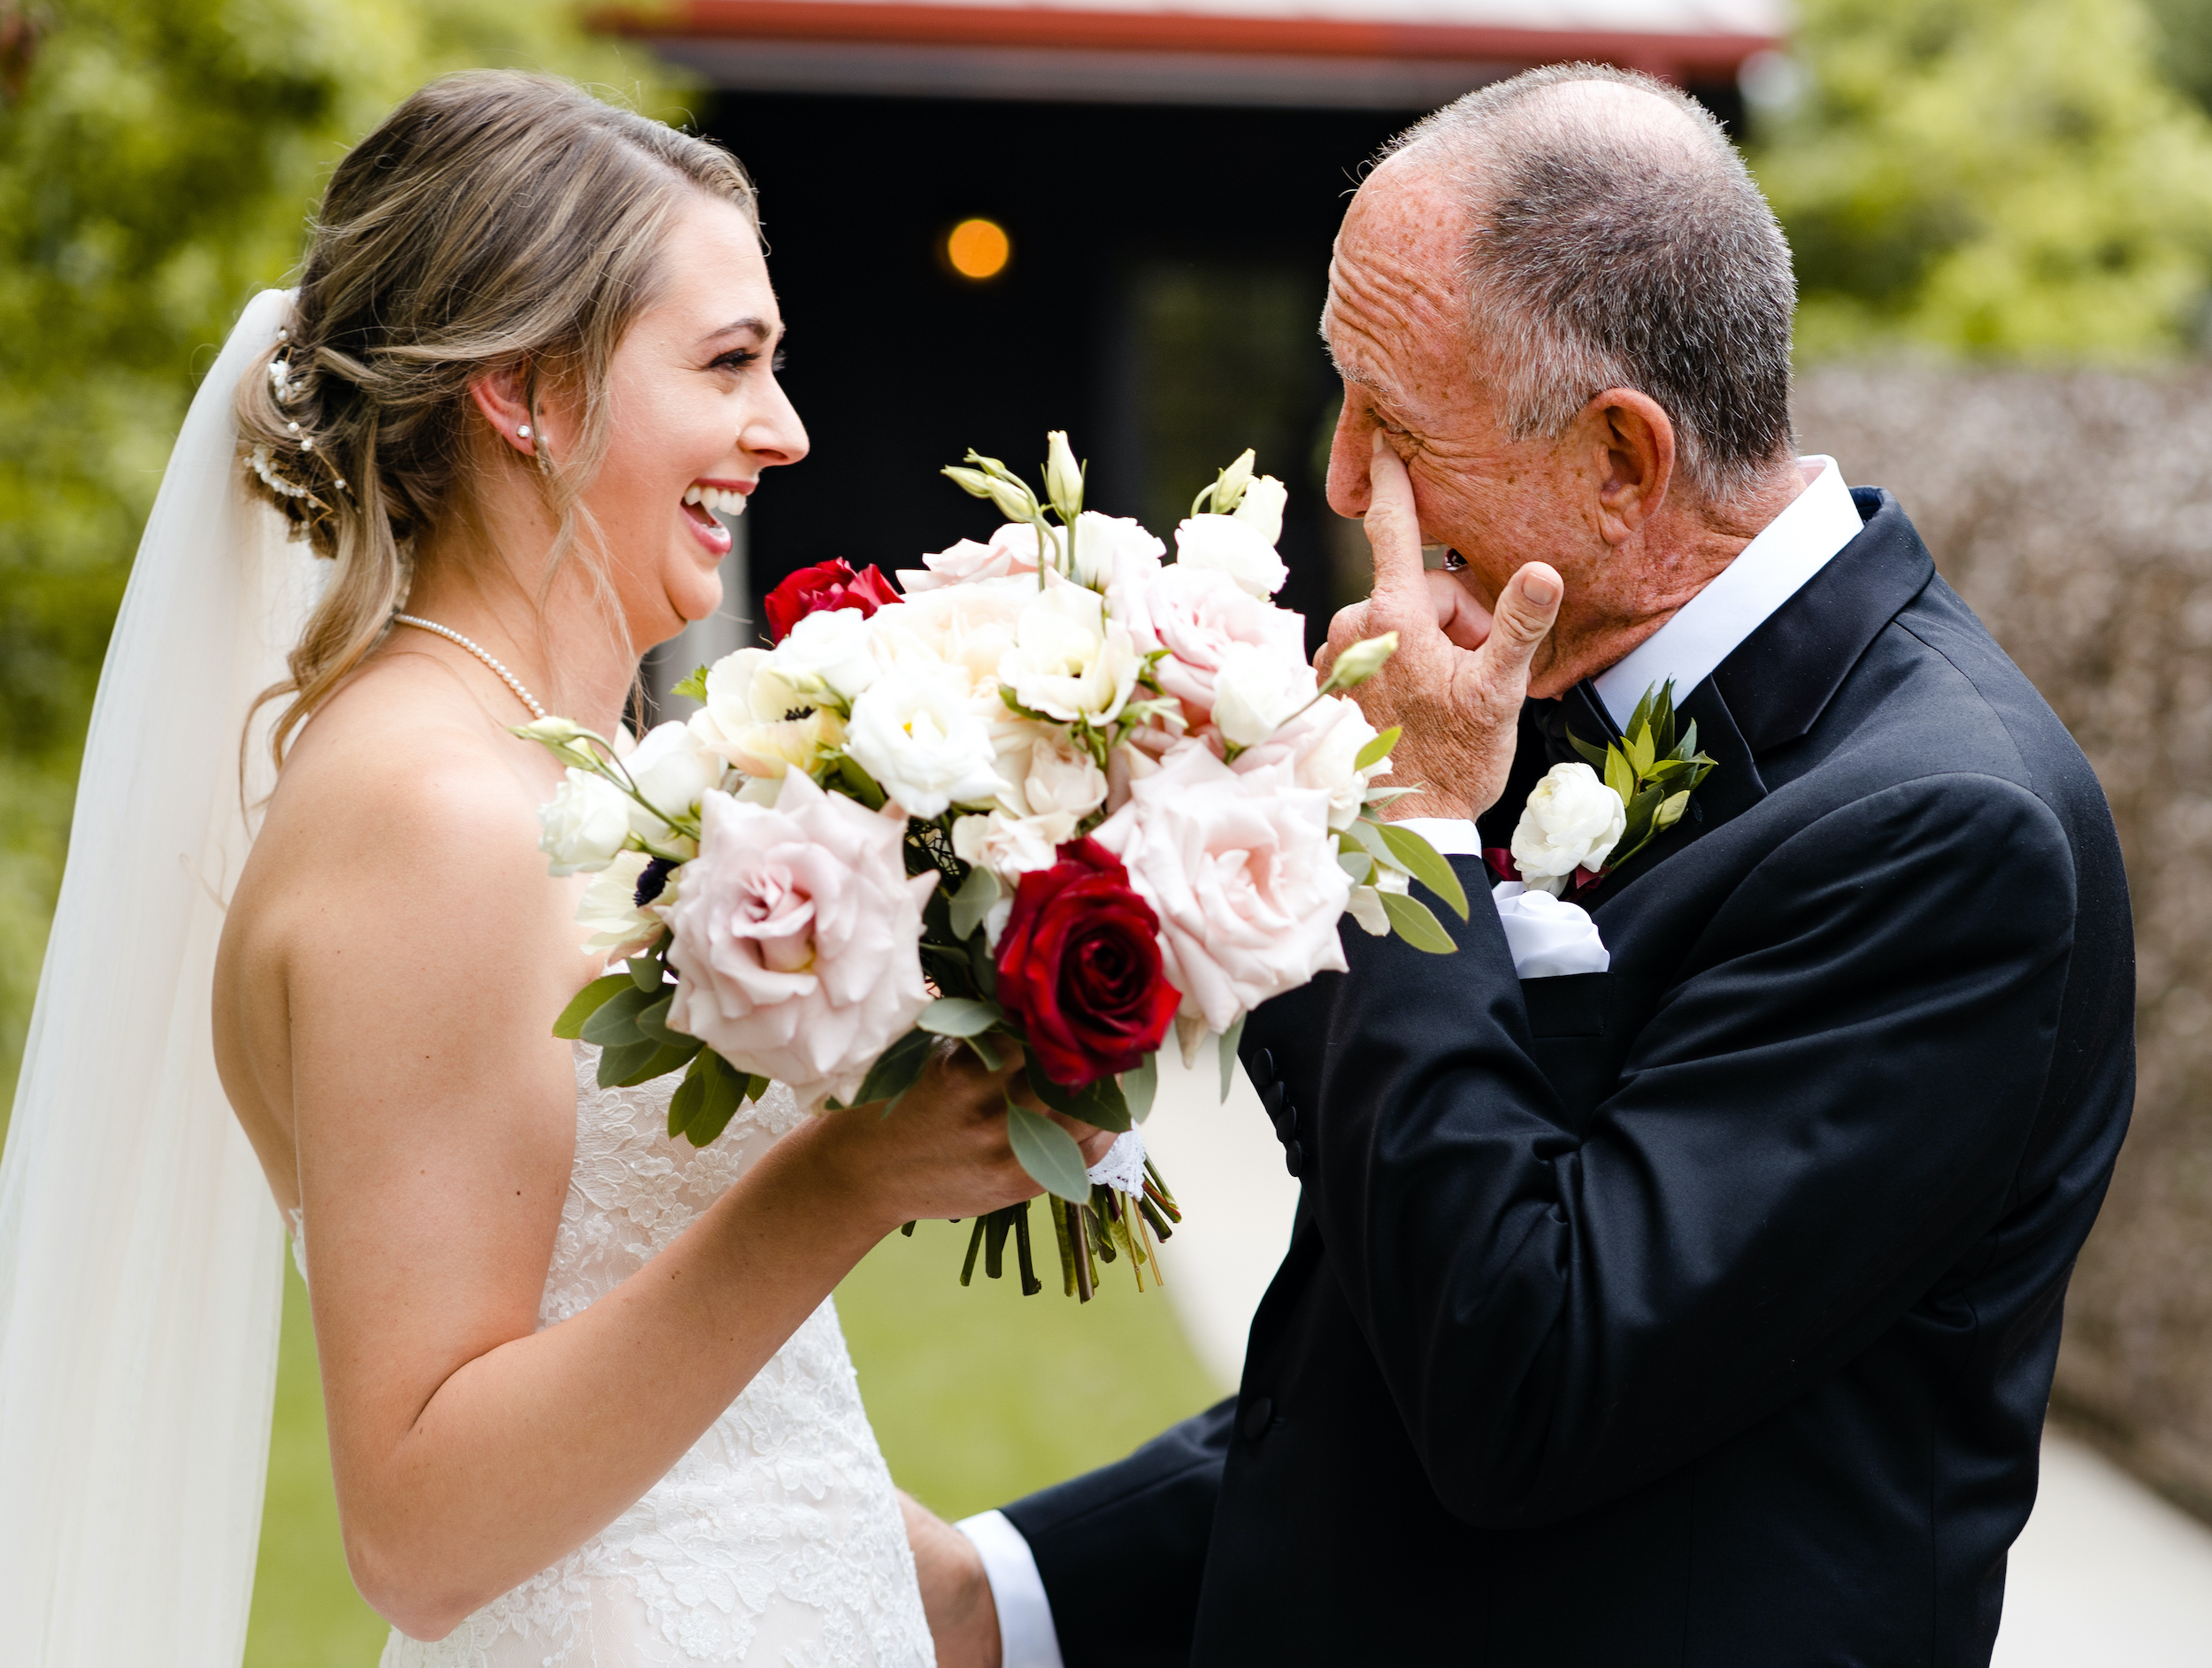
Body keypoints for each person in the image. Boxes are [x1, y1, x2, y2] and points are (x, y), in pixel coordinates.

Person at [910, 64, 2137, 1668]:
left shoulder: (1952, 838)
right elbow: (1385, 1332)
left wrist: (1416, 830)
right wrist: (1012, 1589)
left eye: (1396, 426)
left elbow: (1523, 1375)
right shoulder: (1540, 688)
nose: (1348, 481)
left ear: (1622, 461)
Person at [0, 70, 1106, 1667]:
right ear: (526, 389)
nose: (784, 429)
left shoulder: (543, 772)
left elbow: (717, 1424)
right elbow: (421, 1526)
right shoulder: (433, 812)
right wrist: (845, 1180)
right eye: (729, 363)